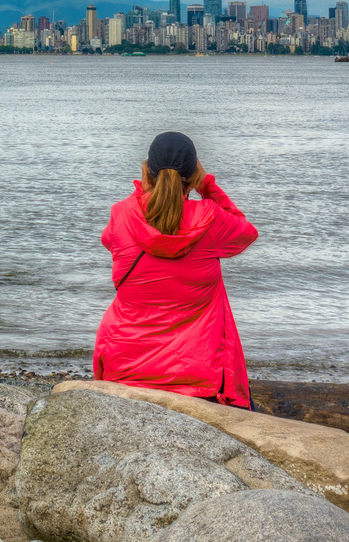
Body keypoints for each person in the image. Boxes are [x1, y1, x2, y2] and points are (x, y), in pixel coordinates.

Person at [92, 130, 258, 407]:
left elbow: (110, 240)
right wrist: (207, 186)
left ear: (146, 172)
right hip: (196, 373)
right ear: (193, 177)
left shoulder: (121, 214)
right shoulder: (211, 218)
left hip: (124, 364)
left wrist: (145, 190)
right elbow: (246, 233)